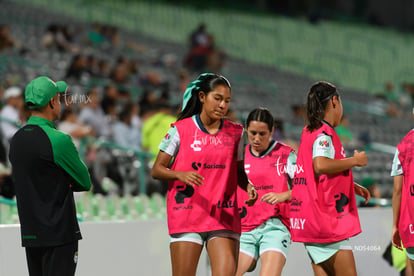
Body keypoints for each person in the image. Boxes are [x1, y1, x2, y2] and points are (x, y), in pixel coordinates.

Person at [151, 73, 258, 276]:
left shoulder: (237, 133)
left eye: (227, 101)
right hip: (187, 214)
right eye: (217, 98)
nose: (222, 105)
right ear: (202, 97)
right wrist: (180, 175)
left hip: (223, 216)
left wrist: (248, 186)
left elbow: (238, 170)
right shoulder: (179, 130)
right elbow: (157, 169)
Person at [9, 76, 91, 276]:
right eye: (58, 98)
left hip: (31, 232)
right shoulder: (59, 140)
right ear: (52, 102)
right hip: (59, 234)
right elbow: (84, 182)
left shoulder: (16, 139)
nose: (61, 103)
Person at [290, 81, 370, 276]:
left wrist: (352, 184)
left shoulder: (309, 131)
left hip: (310, 220)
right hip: (326, 223)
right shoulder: (324, 134)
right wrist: (355, 161)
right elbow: (320, 165)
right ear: (335, 101)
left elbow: (314, 171)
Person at [236, 107, 296, 276]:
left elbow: (306, 184)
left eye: (262, 134)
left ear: (271, 131)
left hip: (275, 227)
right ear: (246, 129)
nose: (256, 138)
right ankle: (251, 257)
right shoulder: (239, 156)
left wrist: (283, 195)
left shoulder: (285, 154)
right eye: (253, 133)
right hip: (245, 228)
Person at [391, 127, 414, 274]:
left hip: (410, 223)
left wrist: (395, 226)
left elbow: (397, 191)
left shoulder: (403, 144)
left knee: (410, 264)